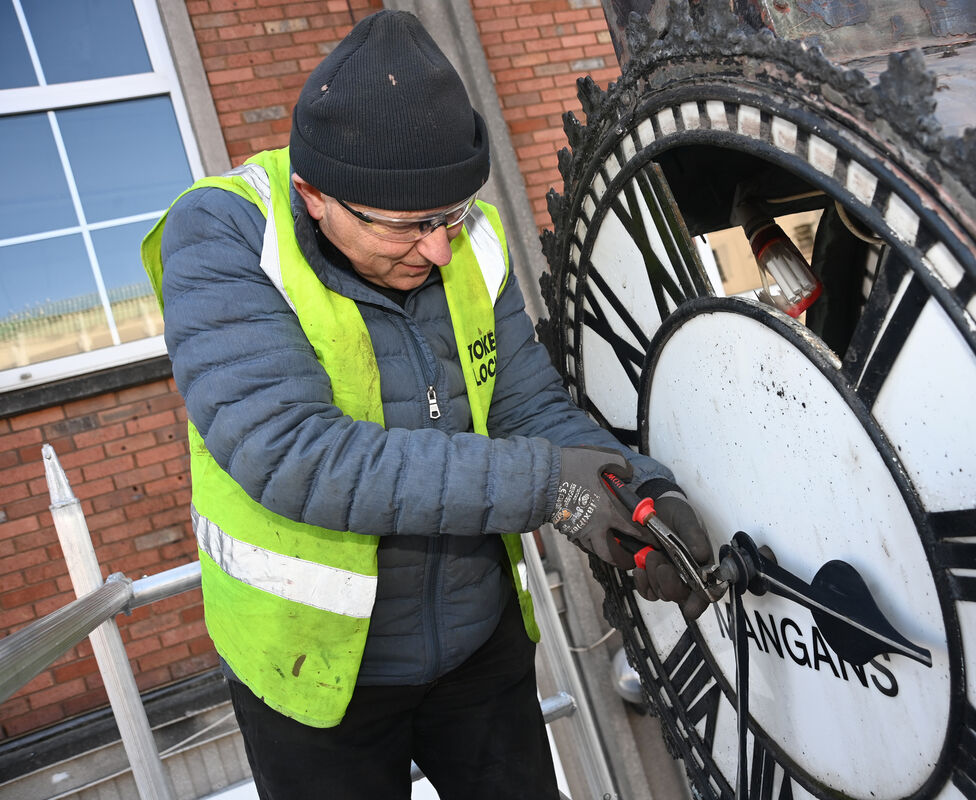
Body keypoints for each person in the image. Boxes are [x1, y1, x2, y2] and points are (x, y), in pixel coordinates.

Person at [140, 10, 712, 799]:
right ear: (315, 197)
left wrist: (634, 489)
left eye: (452, 216)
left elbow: (527, 406)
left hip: (478, 649)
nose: (441, 248)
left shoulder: (463, 241)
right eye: (410, 227)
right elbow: (297, 457)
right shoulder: (226, 237)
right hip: (317, 677)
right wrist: (550, 485)